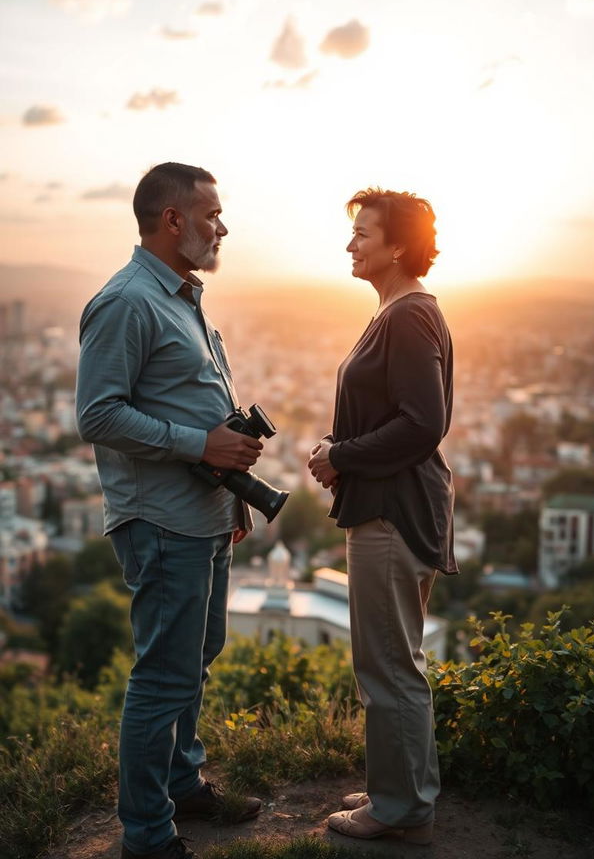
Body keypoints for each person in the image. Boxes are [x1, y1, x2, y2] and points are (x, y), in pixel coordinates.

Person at [76, 163, 262, 859]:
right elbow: (97, 414)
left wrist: (228, 487)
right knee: (162, 677)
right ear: (173, 219)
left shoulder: (182, 296)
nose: (222, 225)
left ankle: (183, 785)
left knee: (197, 661)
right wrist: (201, 443)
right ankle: (148, 836)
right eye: (211, 212)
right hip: (159, 520)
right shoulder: (126, 301)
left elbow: (189, 400)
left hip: (204, 512)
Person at [308, 187, 456, 845]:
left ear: (397, 246)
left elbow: (423, 423)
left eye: (362, 234)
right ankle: (403, 789)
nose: (350, 244)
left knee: (388, 664)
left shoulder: (409, 316)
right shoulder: (398, 311)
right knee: (397, 657)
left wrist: (341, 454)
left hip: (391, 513)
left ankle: (400, 809)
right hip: (393, 505)